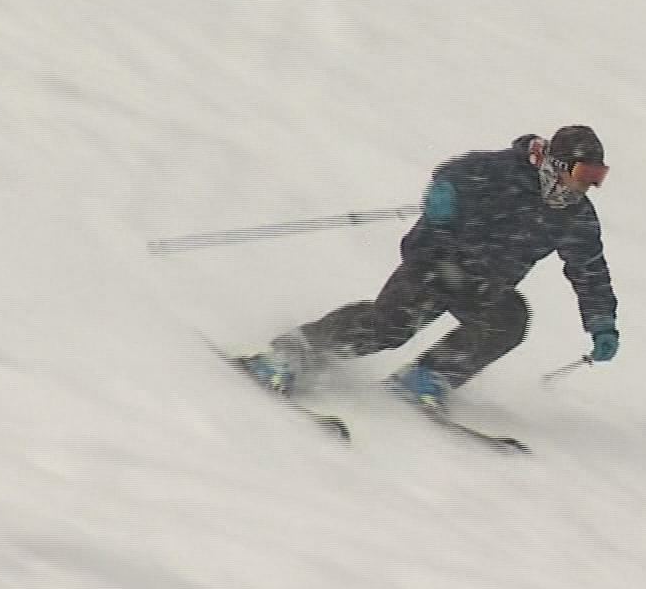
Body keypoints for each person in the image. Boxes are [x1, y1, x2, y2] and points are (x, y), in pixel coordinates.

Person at [240, 125, 620, 410]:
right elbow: (453, 173)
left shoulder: (575, 217)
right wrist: (444, 200)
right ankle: (291, 354)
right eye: (584, 176)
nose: (586, 188)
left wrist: (601, 321)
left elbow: (589, 271)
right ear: (558, 164)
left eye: (597, 179)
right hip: (437, 262)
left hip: (484, 284)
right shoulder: (504, 171)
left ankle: (427, 377)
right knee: (389, 327)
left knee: (508, 319)